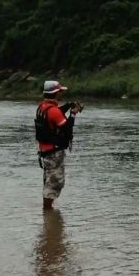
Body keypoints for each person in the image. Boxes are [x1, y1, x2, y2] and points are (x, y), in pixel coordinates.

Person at [36, 80, 83, 210]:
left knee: (49, 182)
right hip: (54, 153)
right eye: (60, 91)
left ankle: (47, 209)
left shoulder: (42, 107)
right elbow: (67, 129)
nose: (61, 93)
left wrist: (68, 106)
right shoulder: (53, 111)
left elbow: (55, 113)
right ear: (56, 93)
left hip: (46, 152)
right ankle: (48, 211)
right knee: (55, 183)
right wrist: (73, 114)